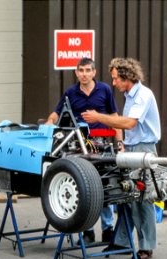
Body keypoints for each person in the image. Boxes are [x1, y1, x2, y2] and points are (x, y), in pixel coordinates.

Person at [81, 57, 161, 259]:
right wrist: (122, 144)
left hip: (143, 150)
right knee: (125, 196)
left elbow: (129, 123)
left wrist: (98, 117)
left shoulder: (142, 95)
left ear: (127, 77)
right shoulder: (130, 95)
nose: (114, 83)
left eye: (116, 79)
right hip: (132, 148)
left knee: (143, 198)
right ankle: (123, 241)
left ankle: (146, 246)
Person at [45, 57, 122, 244]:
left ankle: (107, 229)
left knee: (104, 186)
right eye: (81, 70)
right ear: (76, 73)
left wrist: (120, 143)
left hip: (102, 144)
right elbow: (57, 113)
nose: (85, 74)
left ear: (94, 72)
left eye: (88, 70)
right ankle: (87, 231)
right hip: (79, 144)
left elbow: (114, 116)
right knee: (84, 187)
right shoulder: (70, 92)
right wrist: (48, 123)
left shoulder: (104, 89)